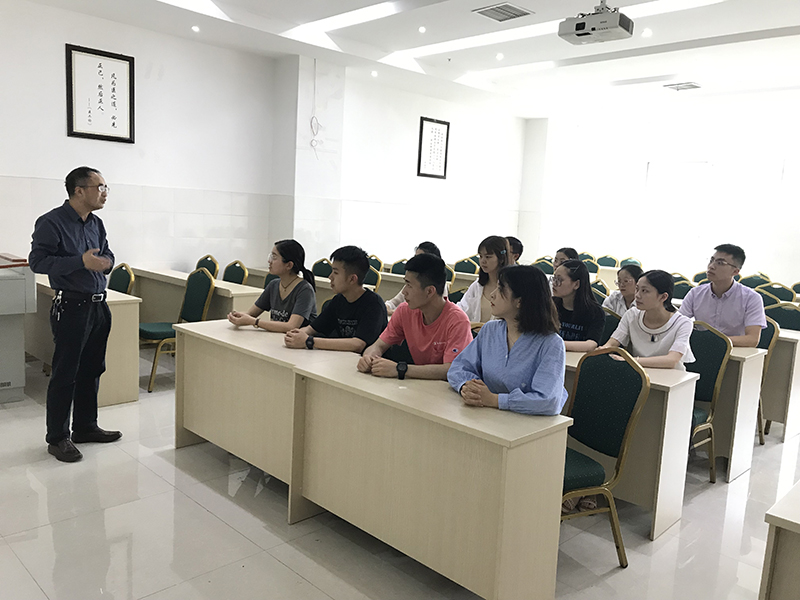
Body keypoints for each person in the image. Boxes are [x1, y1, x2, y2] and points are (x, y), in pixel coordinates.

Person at [28, 166, 122, 463]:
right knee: (65, 374)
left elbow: (108, 254)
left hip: (98, 306)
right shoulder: (51, 222)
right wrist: (79, 262)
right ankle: (58, 437)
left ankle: (85, 426)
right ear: (79, 191)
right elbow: (38, 262)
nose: (104, 193)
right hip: (71, 306)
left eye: (106, 187)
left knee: (92, 369)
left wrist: (106, 264)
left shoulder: (96, 223)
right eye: (100, 187)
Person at [448, 265, 568, 415]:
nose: (492, 295)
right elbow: (458, 367)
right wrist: (468, 387)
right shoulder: (490, 330)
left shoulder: (551, 344)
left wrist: (495, 400)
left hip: (526, 423)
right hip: (485, 415)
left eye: (500, 289)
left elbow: (548, 401)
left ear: (520, 301)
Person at [358, 253, 473, 380]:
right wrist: (369, 357)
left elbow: (451, 369)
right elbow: (378, 345)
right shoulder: (404, 311)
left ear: (429, 291)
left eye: (409, 285)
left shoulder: (458, 321)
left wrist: (401, 369)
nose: (404, 292)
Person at [284, 245, 387, 352]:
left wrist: (309, 341)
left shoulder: (374, 304)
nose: (330, 277)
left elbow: (358, 344)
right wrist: (296, 334)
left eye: (336, 273)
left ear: (352, 279)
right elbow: (312, 328)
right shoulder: (338, 300)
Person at [601, 270, 695, 369]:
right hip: (639, 374)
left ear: (663, 297)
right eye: (637, 289)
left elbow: (672, 360)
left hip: (673, 376)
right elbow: (612, 343)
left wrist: (629, 360)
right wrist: (598, 350)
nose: (637, 295)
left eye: (644, 291)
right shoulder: (631, 315)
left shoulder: (683, 323)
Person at [678, 244, 766, 347]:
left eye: (720, 263)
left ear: (735, 271)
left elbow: (752, 339)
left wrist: (716, 341)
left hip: (733, 352)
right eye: (711, 260)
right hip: (698, 350)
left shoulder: (751, 298)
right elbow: (678, 325)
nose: (711, 266)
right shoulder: (695, 293)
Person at [227, 239, 316, 332]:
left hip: (296, 339)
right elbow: (251, 314)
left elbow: (291, 326)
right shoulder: (273, 285)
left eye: (274, 257)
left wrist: (255, 322)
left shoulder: (305, 290)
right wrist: (237, 316)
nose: (269, 261)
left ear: (289, 265)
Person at [551, 259, 605, 352]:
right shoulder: (550, 304)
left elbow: (591, 344)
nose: (554, 283)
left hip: (578, 357)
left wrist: (556, 344)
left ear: (576, 284)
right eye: (554, 278)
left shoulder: (594, 311)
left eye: (559, 280)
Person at [456, 235, 511, 325]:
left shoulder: (509, 287)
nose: (483, 261)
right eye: (481, 256)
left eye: (488, 257)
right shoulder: (477, 285)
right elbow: (461, 309)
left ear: (501, 259)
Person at [385, 241, 447, 316]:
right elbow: (393, 302)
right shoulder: (412, 283)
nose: (415, 261)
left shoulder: (439, 289)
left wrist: (396, 313)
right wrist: (387, 307)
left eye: (420, 258)